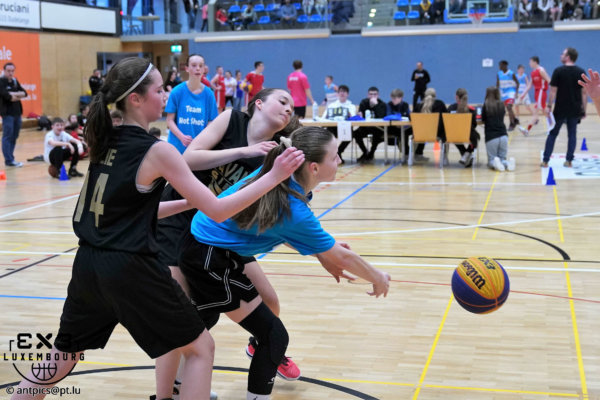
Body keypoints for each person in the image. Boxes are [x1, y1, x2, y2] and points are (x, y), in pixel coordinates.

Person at [9, 57, 304, 400]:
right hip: (130, 266)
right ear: (136, 99)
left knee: (62, 355)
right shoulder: (158, 150)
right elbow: (219, 210)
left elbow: (134, 210)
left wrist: (188, 203)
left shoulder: (106, 139)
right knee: (201, 348)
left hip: (88, 264)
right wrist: (274, 175)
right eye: (159, 89)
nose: (166, 95)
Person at [177, 126, 391, 400]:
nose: (340, 160)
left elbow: (278, 228)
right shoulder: (292, 205)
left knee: (210, 318)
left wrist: (322, 252)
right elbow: (343, 257)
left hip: (211, 244)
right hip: (208, 255)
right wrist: (377, 277)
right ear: (314, 168)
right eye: (335, 156)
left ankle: (179, 384)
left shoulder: (283, 176)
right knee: (274, 336)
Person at [155, 89, 302, 397]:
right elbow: (189, 158)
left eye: (292, 106)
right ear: (258, 103)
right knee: (181, 314)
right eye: (282, 101)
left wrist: (315, 247)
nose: (289, 108)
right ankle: (172, 390)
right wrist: (243, 151)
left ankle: (261, 345)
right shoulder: (231, 120)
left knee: (269, 301)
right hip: (178, 219)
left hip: (218, 230)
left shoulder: (274, 153)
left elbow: (264, 214)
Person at [542, 47, 586, 168]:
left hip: (560, 109)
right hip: (575, 109)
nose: (561, 55)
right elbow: (584, 93)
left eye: (563, 54)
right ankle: (569, 161)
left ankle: (545, 161)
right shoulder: (581, 72)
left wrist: (549, 106)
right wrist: (584, 110)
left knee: (552, 134)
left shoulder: (558, 71)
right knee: (572, 135)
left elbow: (553, 91)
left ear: (568, 57)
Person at [166, 54, 218, 154]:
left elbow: (211, 122)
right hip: (177, 148)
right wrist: (182, 137)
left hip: (198, 148)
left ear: (204, 69)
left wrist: (202, 140)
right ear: (187, 68)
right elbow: (169, 121)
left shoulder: (209, 94)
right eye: (194, 65)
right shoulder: (177, 92)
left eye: (201, 66)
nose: (198, 68)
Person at [387, 89, 428, 162]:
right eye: (392, 98)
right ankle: (406, 153)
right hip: (394, 128)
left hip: (405, 126)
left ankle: (418, 153)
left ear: (401, 98)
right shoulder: (389, 105)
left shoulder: (405, 104)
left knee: (420, 131)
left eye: (395, 99)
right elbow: (388, 115)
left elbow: (409, 115)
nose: (393, 100)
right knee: (403, 134)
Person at [320, 84, 356, 163]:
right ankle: (331, 154)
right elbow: (323, 118)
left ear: (347, 94)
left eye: (344, 92)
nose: (342, 93)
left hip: (346, 129)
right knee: (328, 134)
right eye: (340, 91)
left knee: (352, 134)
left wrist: (349, 114)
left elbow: (353, 118)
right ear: (337, 94)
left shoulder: (351, 106)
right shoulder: (332, 105)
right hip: (333, 128)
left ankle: (338, 152)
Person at [0, 62, 27, 167]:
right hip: (7, 113)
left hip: (17, 113)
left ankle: (11, 157)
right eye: (8, 71)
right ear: (4, 71)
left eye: (12, 71)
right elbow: (8, 97)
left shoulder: (15, 81)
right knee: (8, 136)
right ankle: (9, 160)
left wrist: (14, 94)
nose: (11, 73)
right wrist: (17, 95)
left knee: (15, 136)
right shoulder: (1, 82)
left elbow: (25, 93)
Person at [482, 86, 514, 171]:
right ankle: (507, 163)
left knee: (491, 160)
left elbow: (483, 118)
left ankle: (495, 163)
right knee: (502, 158)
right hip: (503, 135)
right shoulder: (501, 104)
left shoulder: (486, 105)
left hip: (491, 136)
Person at [447, 88, 480, 167]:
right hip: (467, 135)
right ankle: (467, 153)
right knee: (476, 137)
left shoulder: (450, 108)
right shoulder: (471, 110)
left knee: (454, 135)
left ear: (456, 97)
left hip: (453, 135)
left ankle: (464, 155)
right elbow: (474, 125)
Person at [413, 87, 447, 162]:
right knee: (444, 131)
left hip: (420, 134)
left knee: (423, 129)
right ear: (435, 95)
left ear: (425, 95)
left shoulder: (419, 105)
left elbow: (411, 117)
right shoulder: (440, 104)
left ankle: (417, 154)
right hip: (436, 134)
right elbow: (446, 117)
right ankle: (444, 157)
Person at [355, 86, 387, 162]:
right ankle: (365, 151)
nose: (373, 96)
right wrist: (359, 115)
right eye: (371, 94)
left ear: (378, 95)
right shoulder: (363, 102)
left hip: (378, 127)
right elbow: (360, 115)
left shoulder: (382, 104)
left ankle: (371, 153)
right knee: (356, 133)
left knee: (377, 134)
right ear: (368, 95)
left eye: (375, 94)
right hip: (365, 127)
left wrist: (376, 105)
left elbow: (381, 116)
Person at [522, 56, 551, 133]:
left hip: (541, 92)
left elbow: (549, 80)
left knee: (537, 112)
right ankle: (551, 127)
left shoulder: (541, 70)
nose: (529, 63)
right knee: (543, 112)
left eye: (530, 62)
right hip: (537, 93)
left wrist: (554, 91)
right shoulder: (533, 73)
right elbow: (529, 85)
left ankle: (527, 130)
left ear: (535, 62)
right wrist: (523, 94)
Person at [496, 60, 520, 130]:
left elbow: (517, 83)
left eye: (500, 65)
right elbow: (497, 84)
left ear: (505, 65)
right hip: (503, 93)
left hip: (511, 92)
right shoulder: (499, 74)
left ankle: (512, 124)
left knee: (509, 107)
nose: (499, 67)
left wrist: (516, 92)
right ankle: (515, 120)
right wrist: (496, 93)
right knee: (506, 108)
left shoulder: (511, 73)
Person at [514, 64, 534, 133]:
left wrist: (526, 90)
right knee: (516, 106)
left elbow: (528, 84)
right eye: (521, 69)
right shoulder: (516, 76)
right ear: (518, 70)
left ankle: (534, 116)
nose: (522, 70)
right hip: (518, 93)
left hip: (524, 93)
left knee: (527, 106)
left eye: (523, 69)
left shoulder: (525, 76)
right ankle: (517, 118)